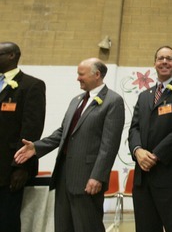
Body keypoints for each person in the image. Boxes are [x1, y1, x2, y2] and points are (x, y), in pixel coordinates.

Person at [14, 58, 125, 232]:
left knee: (87, 226)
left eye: (81, 74)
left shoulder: (113, 101)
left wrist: (97, 176)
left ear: (97, 75)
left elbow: (109, 145)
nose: (77, 78)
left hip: (88, 176)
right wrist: (37, 147)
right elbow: (63, 132)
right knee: (63, 226)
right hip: (64, 175)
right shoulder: (77, 100)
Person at [128, 45, 172, 232]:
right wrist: (138, 151)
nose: (164, 62)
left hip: (170, 176)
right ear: (155, 63)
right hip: (143, 177)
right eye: (160, 58)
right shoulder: (144, 96)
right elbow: (134, 128)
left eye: (169, 58)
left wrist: (155, 155)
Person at [0, 42, 46, 232]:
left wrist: (21, 166)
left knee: (6, 221)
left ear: (12, 56)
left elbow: (32, 129)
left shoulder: (31, 85)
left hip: (8, 169)